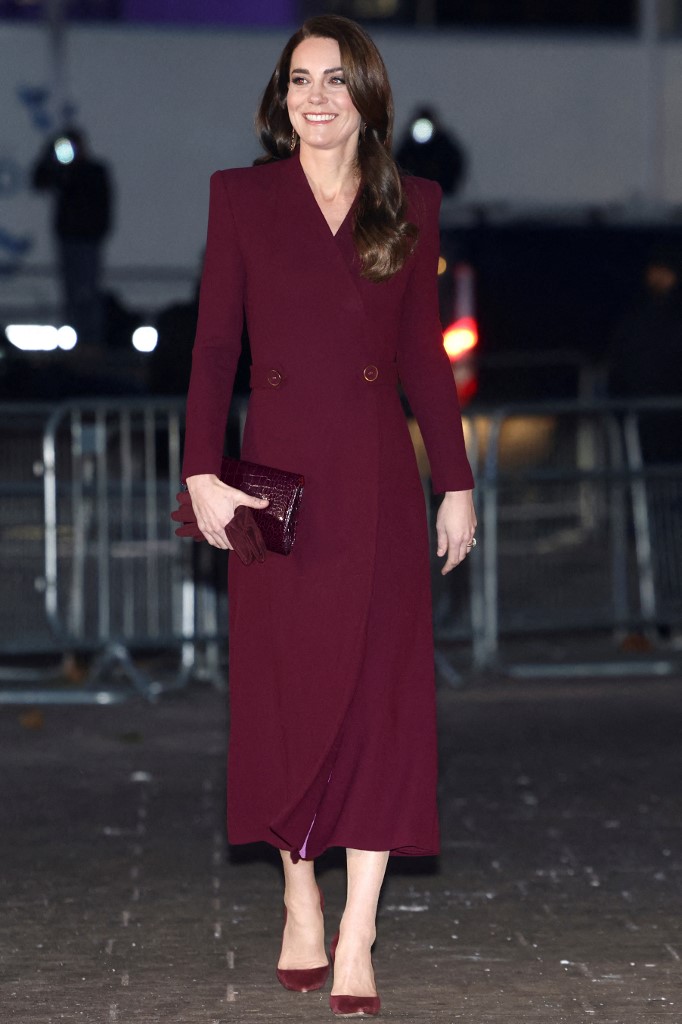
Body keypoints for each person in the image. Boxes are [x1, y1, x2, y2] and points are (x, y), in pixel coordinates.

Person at [181, 14, 476, 1017]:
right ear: (281, 98)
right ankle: (300, 892)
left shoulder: (411, 203)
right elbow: (213, 346)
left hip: (378, 484)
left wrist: (457, 482)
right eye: (300, 79)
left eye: (336, 80)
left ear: (367, 98)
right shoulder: (242, 197)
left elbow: (423, 356)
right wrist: (201, 471)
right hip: (273, 488)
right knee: (284, 696)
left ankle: (358, 932)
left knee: (382, 701)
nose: (316, 97)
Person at [31, 128, 112, 346]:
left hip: (87, 241)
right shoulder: (62, 172)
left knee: (87, 293)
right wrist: (49, 156)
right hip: (68, 240)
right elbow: (39, 181)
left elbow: (103, 205)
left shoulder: (93, 171)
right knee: (71, 293)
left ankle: (91, 343)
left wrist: (97, 232)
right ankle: (76, 340)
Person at [395, 105, 467, 195]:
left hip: (442, 193)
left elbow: (454, 163)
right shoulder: (408, 145)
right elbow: (398, 164)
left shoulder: (443, 144)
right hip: (415, 193)